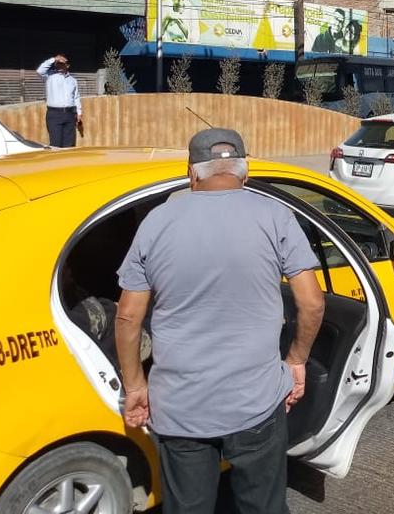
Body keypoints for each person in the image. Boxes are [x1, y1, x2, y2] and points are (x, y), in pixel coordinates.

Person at [114, 128, 325, 514]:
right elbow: (311, 304)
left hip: (180, 408)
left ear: (191, 172)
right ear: (245, 171)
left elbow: (128, 316)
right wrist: (295, 360)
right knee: (263, 506)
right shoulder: (276, 216)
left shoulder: (156, 222)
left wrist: (135, 384)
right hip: (257, 402)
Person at [37, 54, 82, 147]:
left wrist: (79, 112)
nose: (59, 65)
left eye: (62, 63)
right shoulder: (49, 76)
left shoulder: (73, 80)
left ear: (68, 65)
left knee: (69, 145)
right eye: (57, 63)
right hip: (54, 114)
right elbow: (40, 70)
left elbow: (76, 97)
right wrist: (54, 59)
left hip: (70, 114)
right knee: (55, 144)